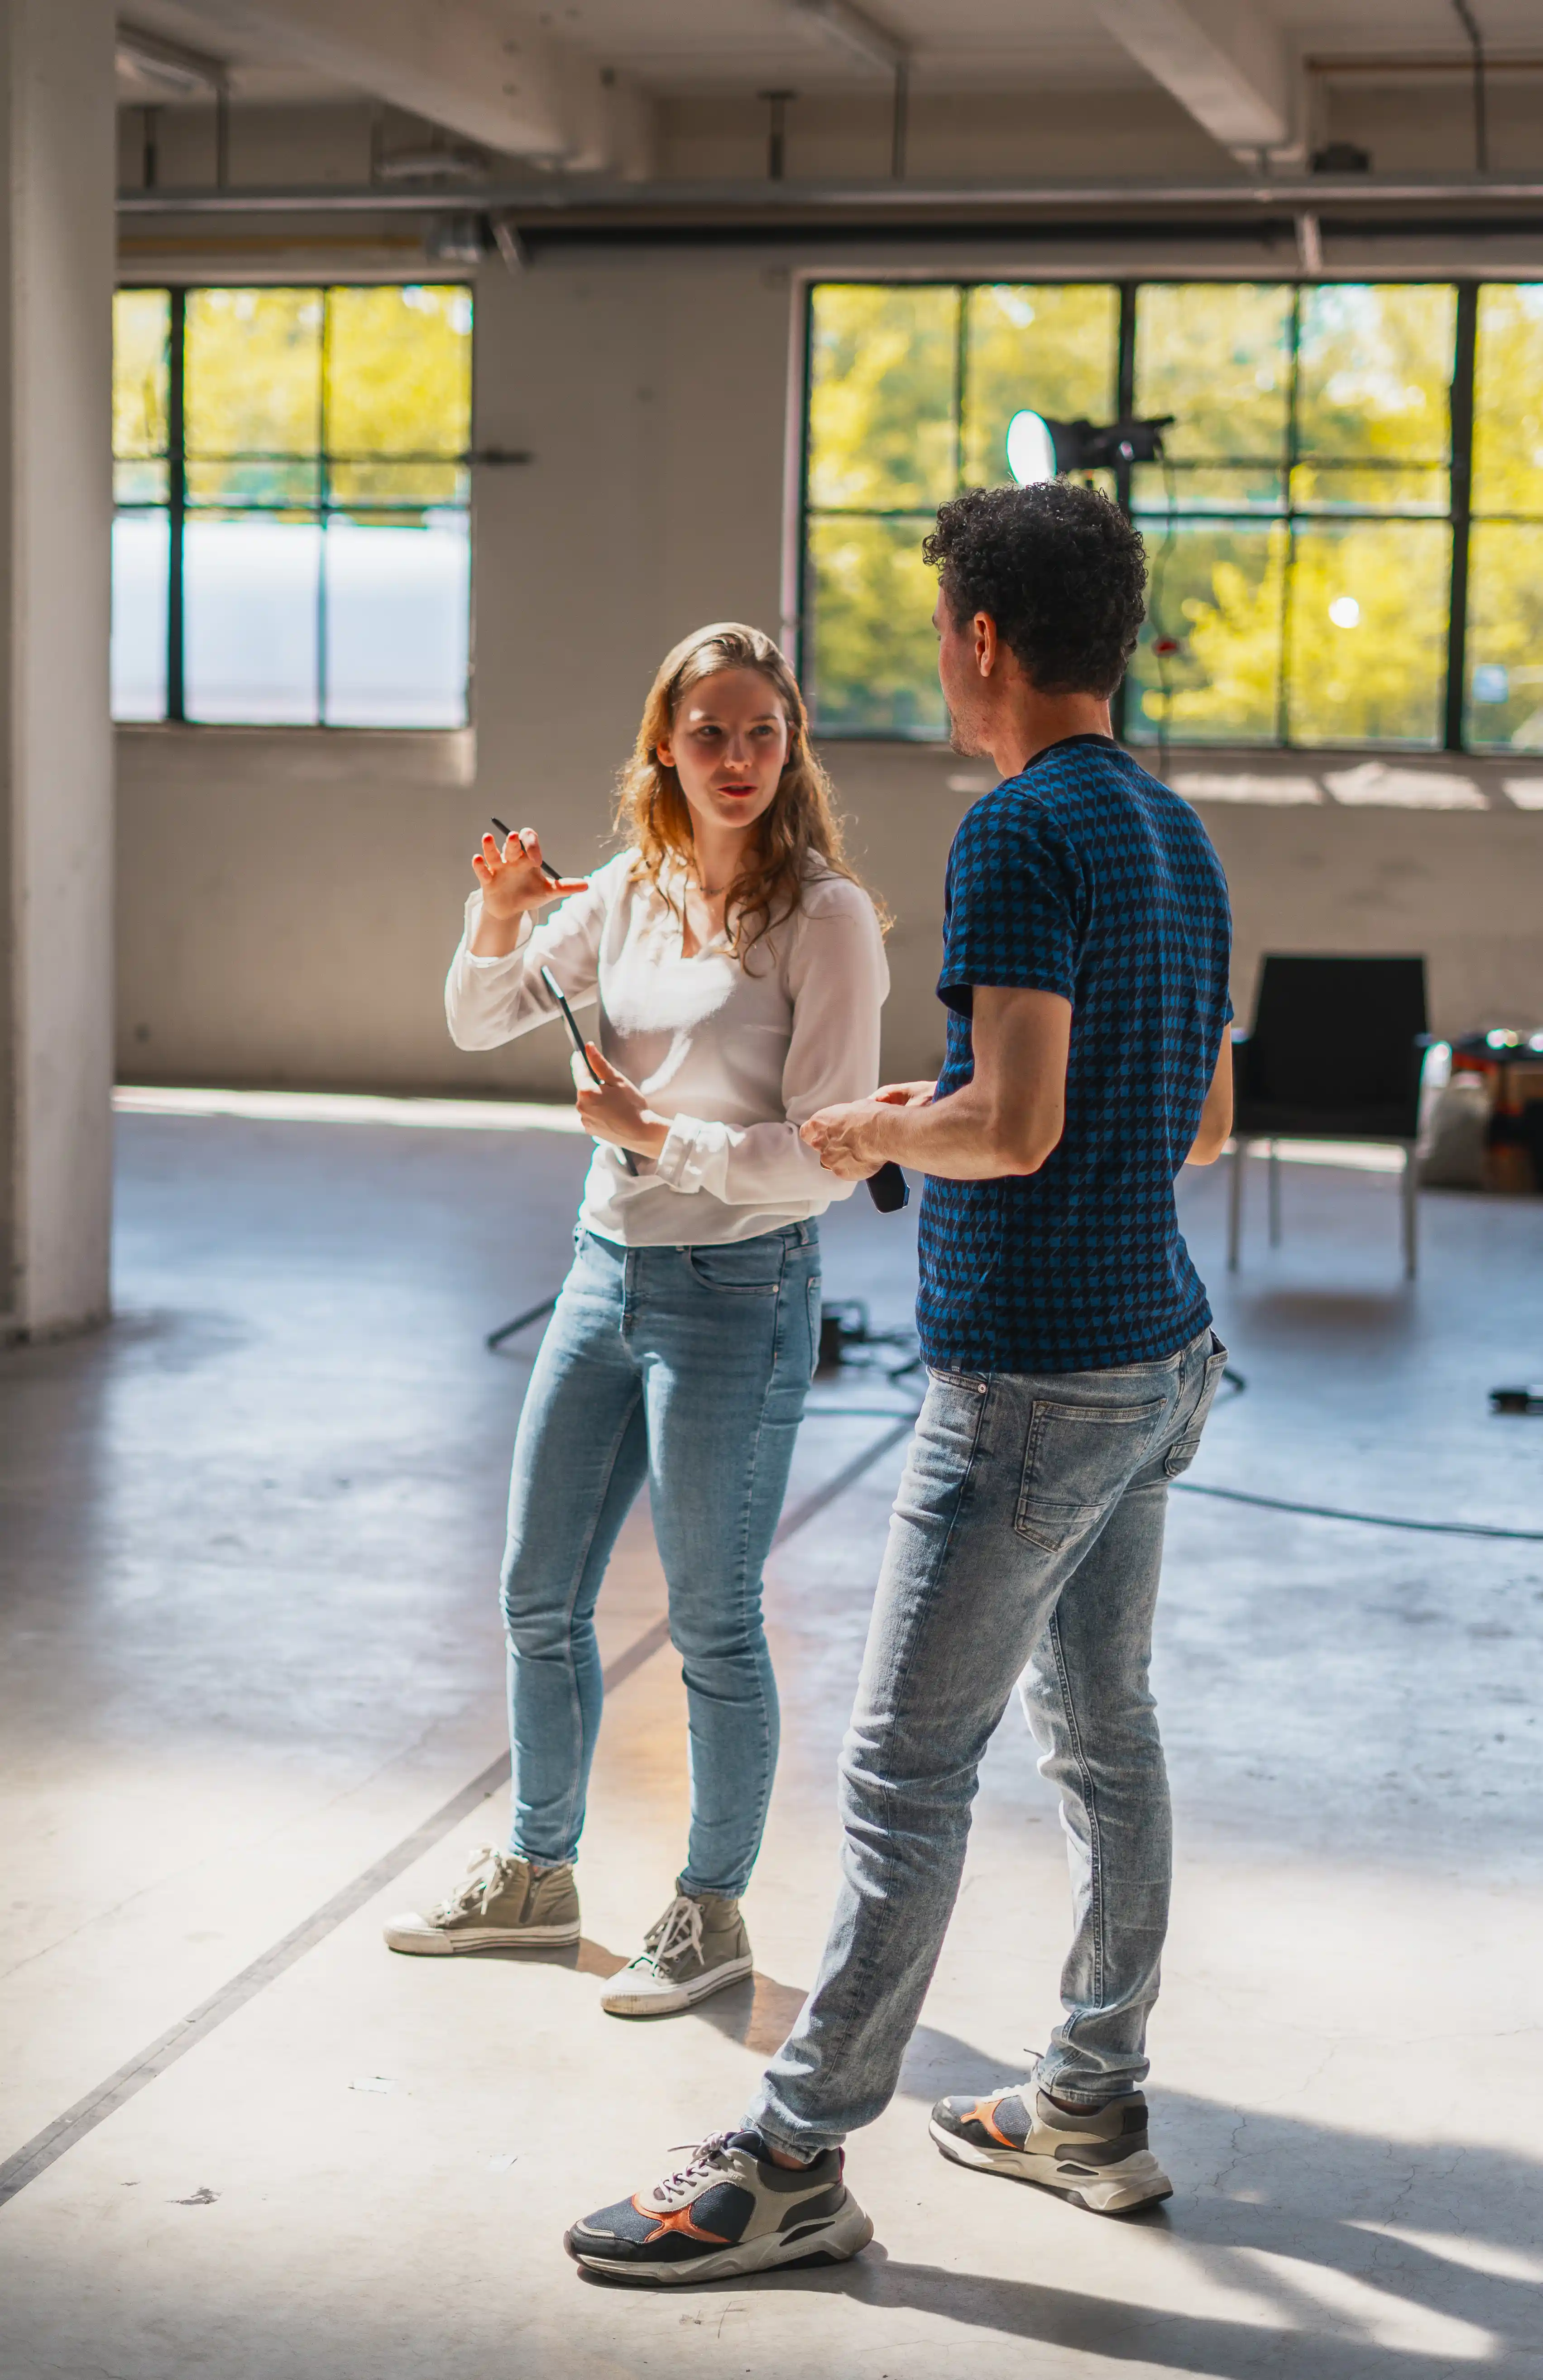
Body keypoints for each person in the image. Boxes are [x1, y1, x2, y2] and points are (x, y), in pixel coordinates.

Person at [564, 481, 1234, 2282]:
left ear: (987, 639)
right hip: (1161, 1355)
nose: (941, 660)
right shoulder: (1178, 833)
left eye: (945, 630)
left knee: (901, 1772)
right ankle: (1088, 2098)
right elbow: (1204, 1117)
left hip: (1029, 1380)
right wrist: (934, 1119)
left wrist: (881, 1125)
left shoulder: (1020, 832)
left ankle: (793, 2153)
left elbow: (1012, 1126)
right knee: (1106, 1739)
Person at [383, 622, 888, 2018]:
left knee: (716, 1625)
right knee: (537, 1597)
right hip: (604, 1272)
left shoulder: (826, 920)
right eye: (710, 733)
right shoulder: (627, 891)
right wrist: (496, 914)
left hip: (739, 1293)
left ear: (792, 750)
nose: (737, 760)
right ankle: (540, 1879)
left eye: (762, 734)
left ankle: (711, 1910)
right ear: (665, 743)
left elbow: (827, 1155)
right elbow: (482, 1019)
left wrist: (654, 1135)